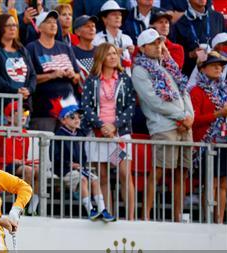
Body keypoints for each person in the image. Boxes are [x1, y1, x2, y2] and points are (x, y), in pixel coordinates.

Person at [132, 29, 194, 222]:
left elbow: (184, 91)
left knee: (182, 172)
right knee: (158, 171)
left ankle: (177, 216)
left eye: (160, 43)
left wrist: (189, 116)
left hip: (184, 125)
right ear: (143, 48)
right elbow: (152, 101)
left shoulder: (169, 65)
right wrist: (182, 116)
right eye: (153, 43)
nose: (158, 46)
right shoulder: (139, 70)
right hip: (163, 126)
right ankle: (146, 216)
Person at [82, 42, 136, 220]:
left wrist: (115, 126)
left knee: (124, 173)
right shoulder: (92, 80)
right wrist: (100, 125)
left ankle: (130, 217)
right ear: (101, 57)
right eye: (109, 54)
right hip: (98, 135)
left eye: (115, 53)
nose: (114, 56)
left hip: (118, 136)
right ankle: (108, 213)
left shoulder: (124, 79)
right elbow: (86, 107)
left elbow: (130, 106)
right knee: (103, 175)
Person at [50, 95, 114, 221]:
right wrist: (69, 164)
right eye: (72, 117)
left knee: (95, 179)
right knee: (83, 180)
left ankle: (102, 210)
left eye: (79, 117)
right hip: (64, 169)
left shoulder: (80, 134)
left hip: (79, 169)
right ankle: (90, 210)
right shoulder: (58, 135)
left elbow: (83, 156)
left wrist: (81, 164)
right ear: (63, 120)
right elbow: (54, 156)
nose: (77, 119)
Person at [26, 10, 79, 133]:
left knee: (66, 147)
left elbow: (78, 76)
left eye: (55, 22)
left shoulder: (65, 47)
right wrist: (51, 75)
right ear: (39, 27)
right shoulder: (32, 48)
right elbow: (29, 78)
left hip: (68, 107)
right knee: (44, 146)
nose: (53, 25)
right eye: (48, 22)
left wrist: (73, 75)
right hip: (44, 109)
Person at [190, 52, 227, 223]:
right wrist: (218, 113)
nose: (218, 68)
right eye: (214, 65)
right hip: (207, 143)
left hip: (224, 142)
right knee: (211, 183)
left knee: (224, 184)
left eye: (220, 65)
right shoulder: (196, 91)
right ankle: (209, 220)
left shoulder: (224, 90)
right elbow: (194, 120)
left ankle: (219, 221)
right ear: (203, 69)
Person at [0, 13, 36, 126]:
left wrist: (29, 90)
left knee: (21, 142)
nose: (12, 28)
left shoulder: (22, 49)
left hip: (22, 108)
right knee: (1, 142)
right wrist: (15, 91)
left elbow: (32, 74)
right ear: (0, 28)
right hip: (1, 108)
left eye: (14, 25)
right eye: (8, 25)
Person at [0, 101, 38, 193]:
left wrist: (22, 161)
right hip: (3, 166)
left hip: (18, 166)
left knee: (38, 170)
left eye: (25, 112)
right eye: (19, 112)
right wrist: (11, 160)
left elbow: (24, 157)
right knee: (28, 170)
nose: (24, 115)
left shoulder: (25, 134)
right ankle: (21, 202)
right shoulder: (2, 132)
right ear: (9, 117)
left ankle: (33, 204)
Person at [171, 0, 226, 76]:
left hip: (217, 73)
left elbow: (224, 42)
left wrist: (218, 47)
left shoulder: (218, 17)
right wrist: (191, 54)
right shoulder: (179, 23)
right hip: (191, 74)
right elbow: (175, 54)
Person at [93, 1, 134, 74]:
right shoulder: (96, 40)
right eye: (113, 14)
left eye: (120, 15)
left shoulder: (127, 39)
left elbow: (131, 63)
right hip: (106, 81)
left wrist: (133, 54)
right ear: (104, 19)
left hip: (126, 80)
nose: (118, 17)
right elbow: (96, 63)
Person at [72, 15, 97, 91]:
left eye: (93, 26)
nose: (92, 28)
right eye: (87, 26)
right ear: (77, 32)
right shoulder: (71, 52)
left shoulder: (100, 50)